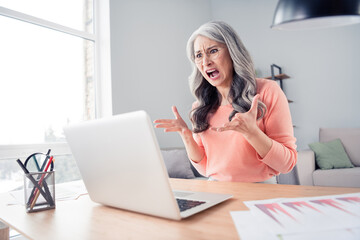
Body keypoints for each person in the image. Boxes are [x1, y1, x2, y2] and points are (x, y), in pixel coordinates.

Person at [154, 21, 297, 183]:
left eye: (213, 51)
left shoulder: (267, 91)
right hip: (216, 190)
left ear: (232, 52)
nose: (205, 62)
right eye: (199, 55)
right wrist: (186, 136)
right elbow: (206, 168)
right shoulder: (200, 107)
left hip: (261, 190)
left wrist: (252, 133)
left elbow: (287, 164)